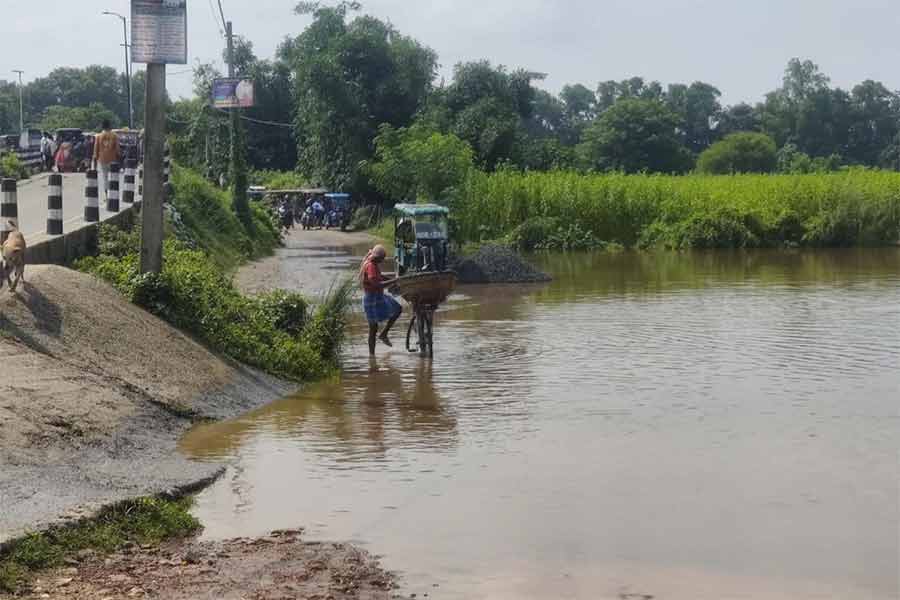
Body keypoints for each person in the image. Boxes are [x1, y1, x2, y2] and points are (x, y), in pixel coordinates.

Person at [359, 245, 402, 355]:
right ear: (378, 258)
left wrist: (393, 280)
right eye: (381, 259)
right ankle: (371, 356)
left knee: (398, 309)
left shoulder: (372, 262)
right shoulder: (370, 266)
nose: (382, 262)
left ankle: (384, 334)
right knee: (373, 329)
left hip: (378, 296)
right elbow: (376, 284)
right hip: (371, 299)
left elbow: (379, 277)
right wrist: (393, 281)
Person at [92, 120, 120, 200]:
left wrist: (94, 164)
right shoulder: (114, 136)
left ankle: (107, 196)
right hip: (113, 160)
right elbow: (118, 150)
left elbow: (95, 150)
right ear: (109, 126)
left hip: (102, 160)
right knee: (113, 177)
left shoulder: (98, 136)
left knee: (105, 178)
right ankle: (113, 195)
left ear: (102, 126)